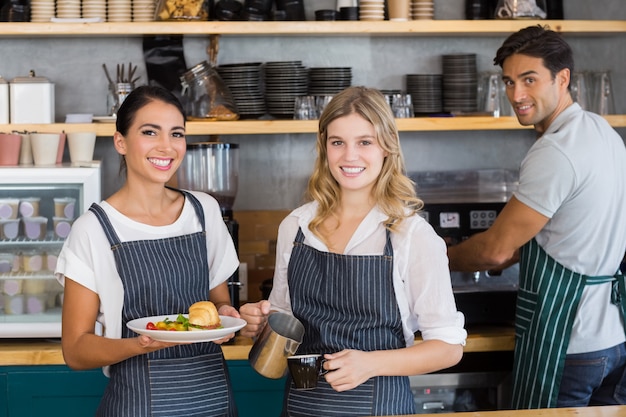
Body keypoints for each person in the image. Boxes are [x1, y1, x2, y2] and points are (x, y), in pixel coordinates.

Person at [240, 86, 467, 416]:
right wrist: (258, 324)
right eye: (338, 143)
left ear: (387, 147)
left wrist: (370, 364)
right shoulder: (297, 227)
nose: (349, 156)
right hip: (303, 407)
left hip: (379, 406)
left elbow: (448, 348)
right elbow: (282, 321)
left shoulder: (411, 235)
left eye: (365, 142)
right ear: (324, 147)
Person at [447, 25, 626, 409]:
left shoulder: (555, 152)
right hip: (613, 338)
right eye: (509, 82)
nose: (516, 95)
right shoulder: (604, 132)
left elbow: (496, 251)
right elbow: (553, 235)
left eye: (529, 80)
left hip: (568, 342)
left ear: (563, 78)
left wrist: (444, 256)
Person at [55, 85, 240, 416]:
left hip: (213, 400)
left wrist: (227, 315)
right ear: (121, 142)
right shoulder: (93, 229)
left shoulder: (204, 212)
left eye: (177, 133)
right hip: (139, 404)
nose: (166, 147)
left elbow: (218, 302)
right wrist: (140, 344)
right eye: (150, 132)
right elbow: (76, 349)